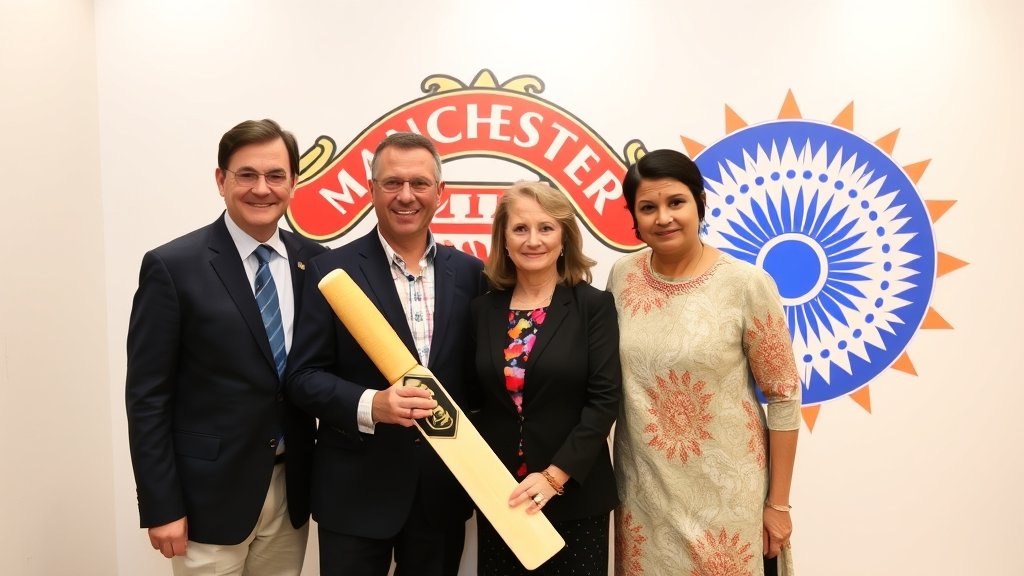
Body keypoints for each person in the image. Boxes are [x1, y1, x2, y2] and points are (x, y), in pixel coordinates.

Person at [126, 118, 326, 575]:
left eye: (276, 176)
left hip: (289, 489)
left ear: (294, 183)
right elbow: (147, 398)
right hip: (205, 500)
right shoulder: (172, 267)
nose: (262, 188)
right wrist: (161, 505)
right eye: (247, 175)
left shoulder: (314, 261)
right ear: (221, 180)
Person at [286, 132, 486, 576]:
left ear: (440, 193)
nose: (406, 196)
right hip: (355, 495)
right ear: (371, 190)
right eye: (392, 183)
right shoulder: (330, 271)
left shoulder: (473, 274)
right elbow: (302, 377)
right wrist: (371, 405)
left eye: (419, 183)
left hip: (442, 493)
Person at [607, 149, 801, 576]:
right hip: (644, 499)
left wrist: (778, 504)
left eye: (675, 202)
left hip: (728, 502)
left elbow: (784, 396)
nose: (663, 218)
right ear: (634, 219)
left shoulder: (746, 284)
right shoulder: (622, 276)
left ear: (700, 204)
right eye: (648, 207)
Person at [468, 181, 621, 575]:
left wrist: (554, 478)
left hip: (573, 497)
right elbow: (474, 401)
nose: (532, 240)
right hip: (503, 498)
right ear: (503, 239)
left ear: (564, 237)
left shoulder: (593, 306)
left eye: (546, 228)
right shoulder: (482, 310)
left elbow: (604, 401)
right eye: (520, 229)